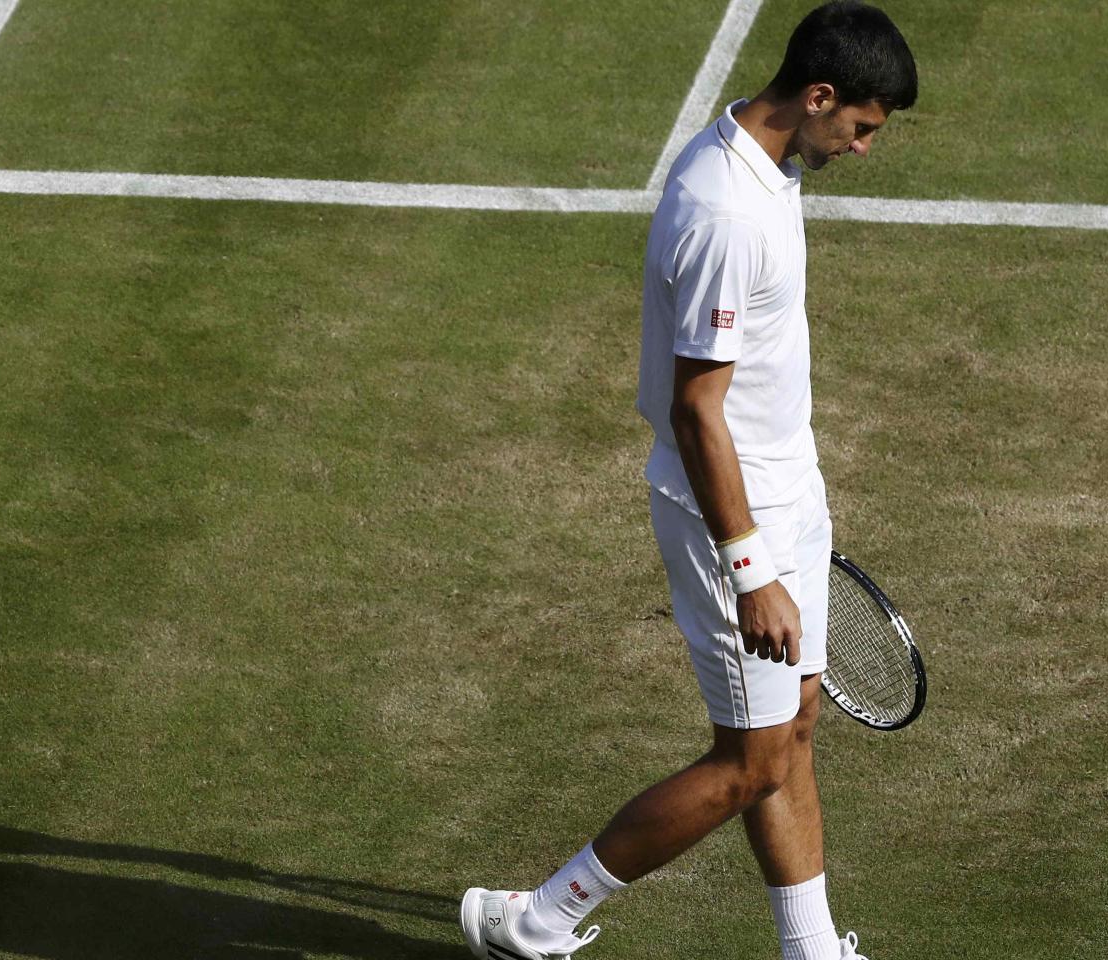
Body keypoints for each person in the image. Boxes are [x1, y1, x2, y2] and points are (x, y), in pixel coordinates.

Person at [459, 3, 917, 959]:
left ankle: (811, 949)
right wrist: (751, 568)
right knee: (749, 761)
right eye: (863, 128)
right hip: (729, 516)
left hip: (789, 485)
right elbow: (694, 410)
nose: (865, 148)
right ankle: (534, 921)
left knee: (793, 726)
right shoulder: (721, 211)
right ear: (820, 97)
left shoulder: (772, 165)